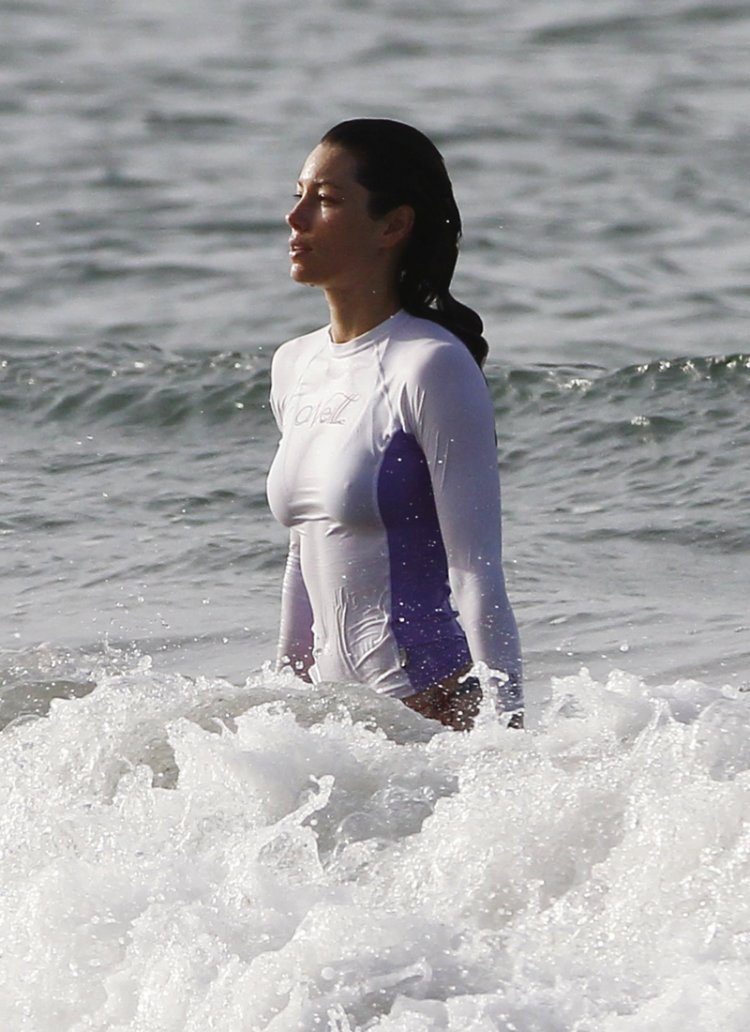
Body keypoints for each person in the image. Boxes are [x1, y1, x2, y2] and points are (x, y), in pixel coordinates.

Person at [266, 118, 522, 730]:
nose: (295, 218)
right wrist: (280, 704)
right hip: (336, 729)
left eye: (326, 200)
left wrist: (509, 733)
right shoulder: (294, 365)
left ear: (393, 225)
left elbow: (476, 571)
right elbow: (305, 554)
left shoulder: (431, 365)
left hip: (429, 710)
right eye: (298, 194)